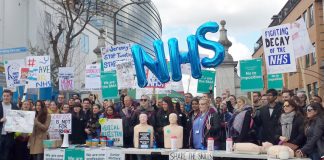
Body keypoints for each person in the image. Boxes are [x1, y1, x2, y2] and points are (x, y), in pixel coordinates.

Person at [0, 89, 19, 160]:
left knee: (7, 154)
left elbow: (18, 120)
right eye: (4, 96)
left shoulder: (15, 107)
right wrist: (0, 120)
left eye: (7, 96)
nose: (6, 97)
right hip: (1, 134)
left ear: (11, 97)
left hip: (9, 135)